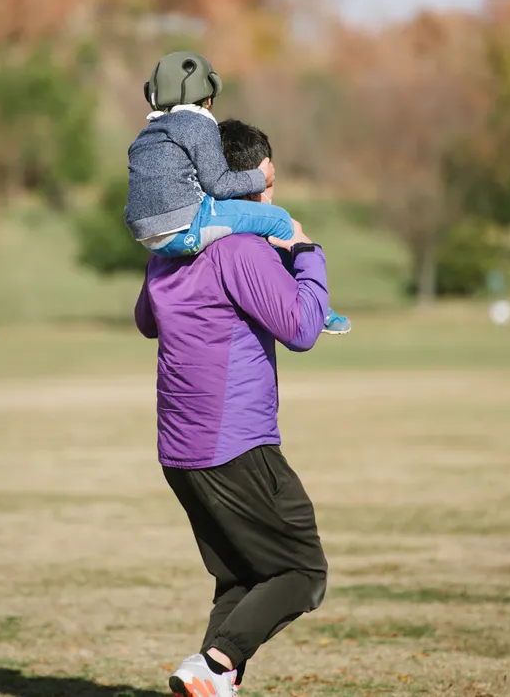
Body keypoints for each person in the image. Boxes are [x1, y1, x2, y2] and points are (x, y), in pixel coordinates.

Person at [134, 118, 332, 697]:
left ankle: (211, 680)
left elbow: (147, 321)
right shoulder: (244, 249)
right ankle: (216, 664)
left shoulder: (170, 253)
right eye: (266, 183)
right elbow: (300, 327)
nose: (271, 196)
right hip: (237, 446)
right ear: (245, 180)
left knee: (242, 576)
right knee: (301, 571)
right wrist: (304, 251)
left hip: (180, 452)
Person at [126, 50, 350, 335]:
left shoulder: (148, 134)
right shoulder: (199, 122)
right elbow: (218, 184)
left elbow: (146, 326)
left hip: (151, 238)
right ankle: (321, 308)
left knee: (259, 224)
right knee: (279, 221)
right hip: (188, 226)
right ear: (207, 99)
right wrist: (261, 178)